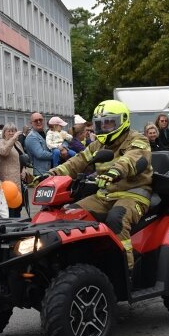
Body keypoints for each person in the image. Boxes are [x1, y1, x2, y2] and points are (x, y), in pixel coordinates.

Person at [39, 100, 152, 269]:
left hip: (133, 193)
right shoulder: (98, 144)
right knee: (70, 215)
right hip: (104, 195)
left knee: (117, 220)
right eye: (100, 124)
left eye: (109, 123)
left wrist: (116, 171)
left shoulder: (138, 139)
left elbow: (133, 158)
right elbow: (77, 162)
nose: (104, 128)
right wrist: (50, 174)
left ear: (123, 121)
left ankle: (126, 270)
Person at [0, 123, 25, 218]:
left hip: (18, 180)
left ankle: (18, 228)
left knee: (18, 207)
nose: (12, 133)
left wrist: (24, 169)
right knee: (9, 208)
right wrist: (13, 139)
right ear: (4, 133)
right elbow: (4, 152)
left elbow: (22, 157)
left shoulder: (18, 143)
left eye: (13, 131)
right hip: (8, 180)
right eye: (9, 131)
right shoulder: (1, 142)